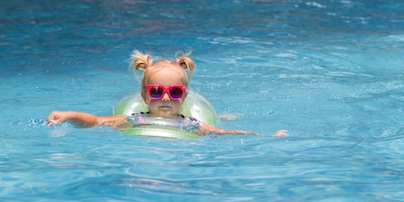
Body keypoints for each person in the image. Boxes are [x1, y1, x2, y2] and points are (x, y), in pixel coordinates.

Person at [46, 50, 287, 137]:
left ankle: (226, 113)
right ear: (144, 96)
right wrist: (68, 115)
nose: (164, 97)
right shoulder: (133, 120)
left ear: (183, 97)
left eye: (174, 92)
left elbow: (226, 134)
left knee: (224, 121)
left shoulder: (193, 125)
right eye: (157, 91)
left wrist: (267, 136)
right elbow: (96, 121)